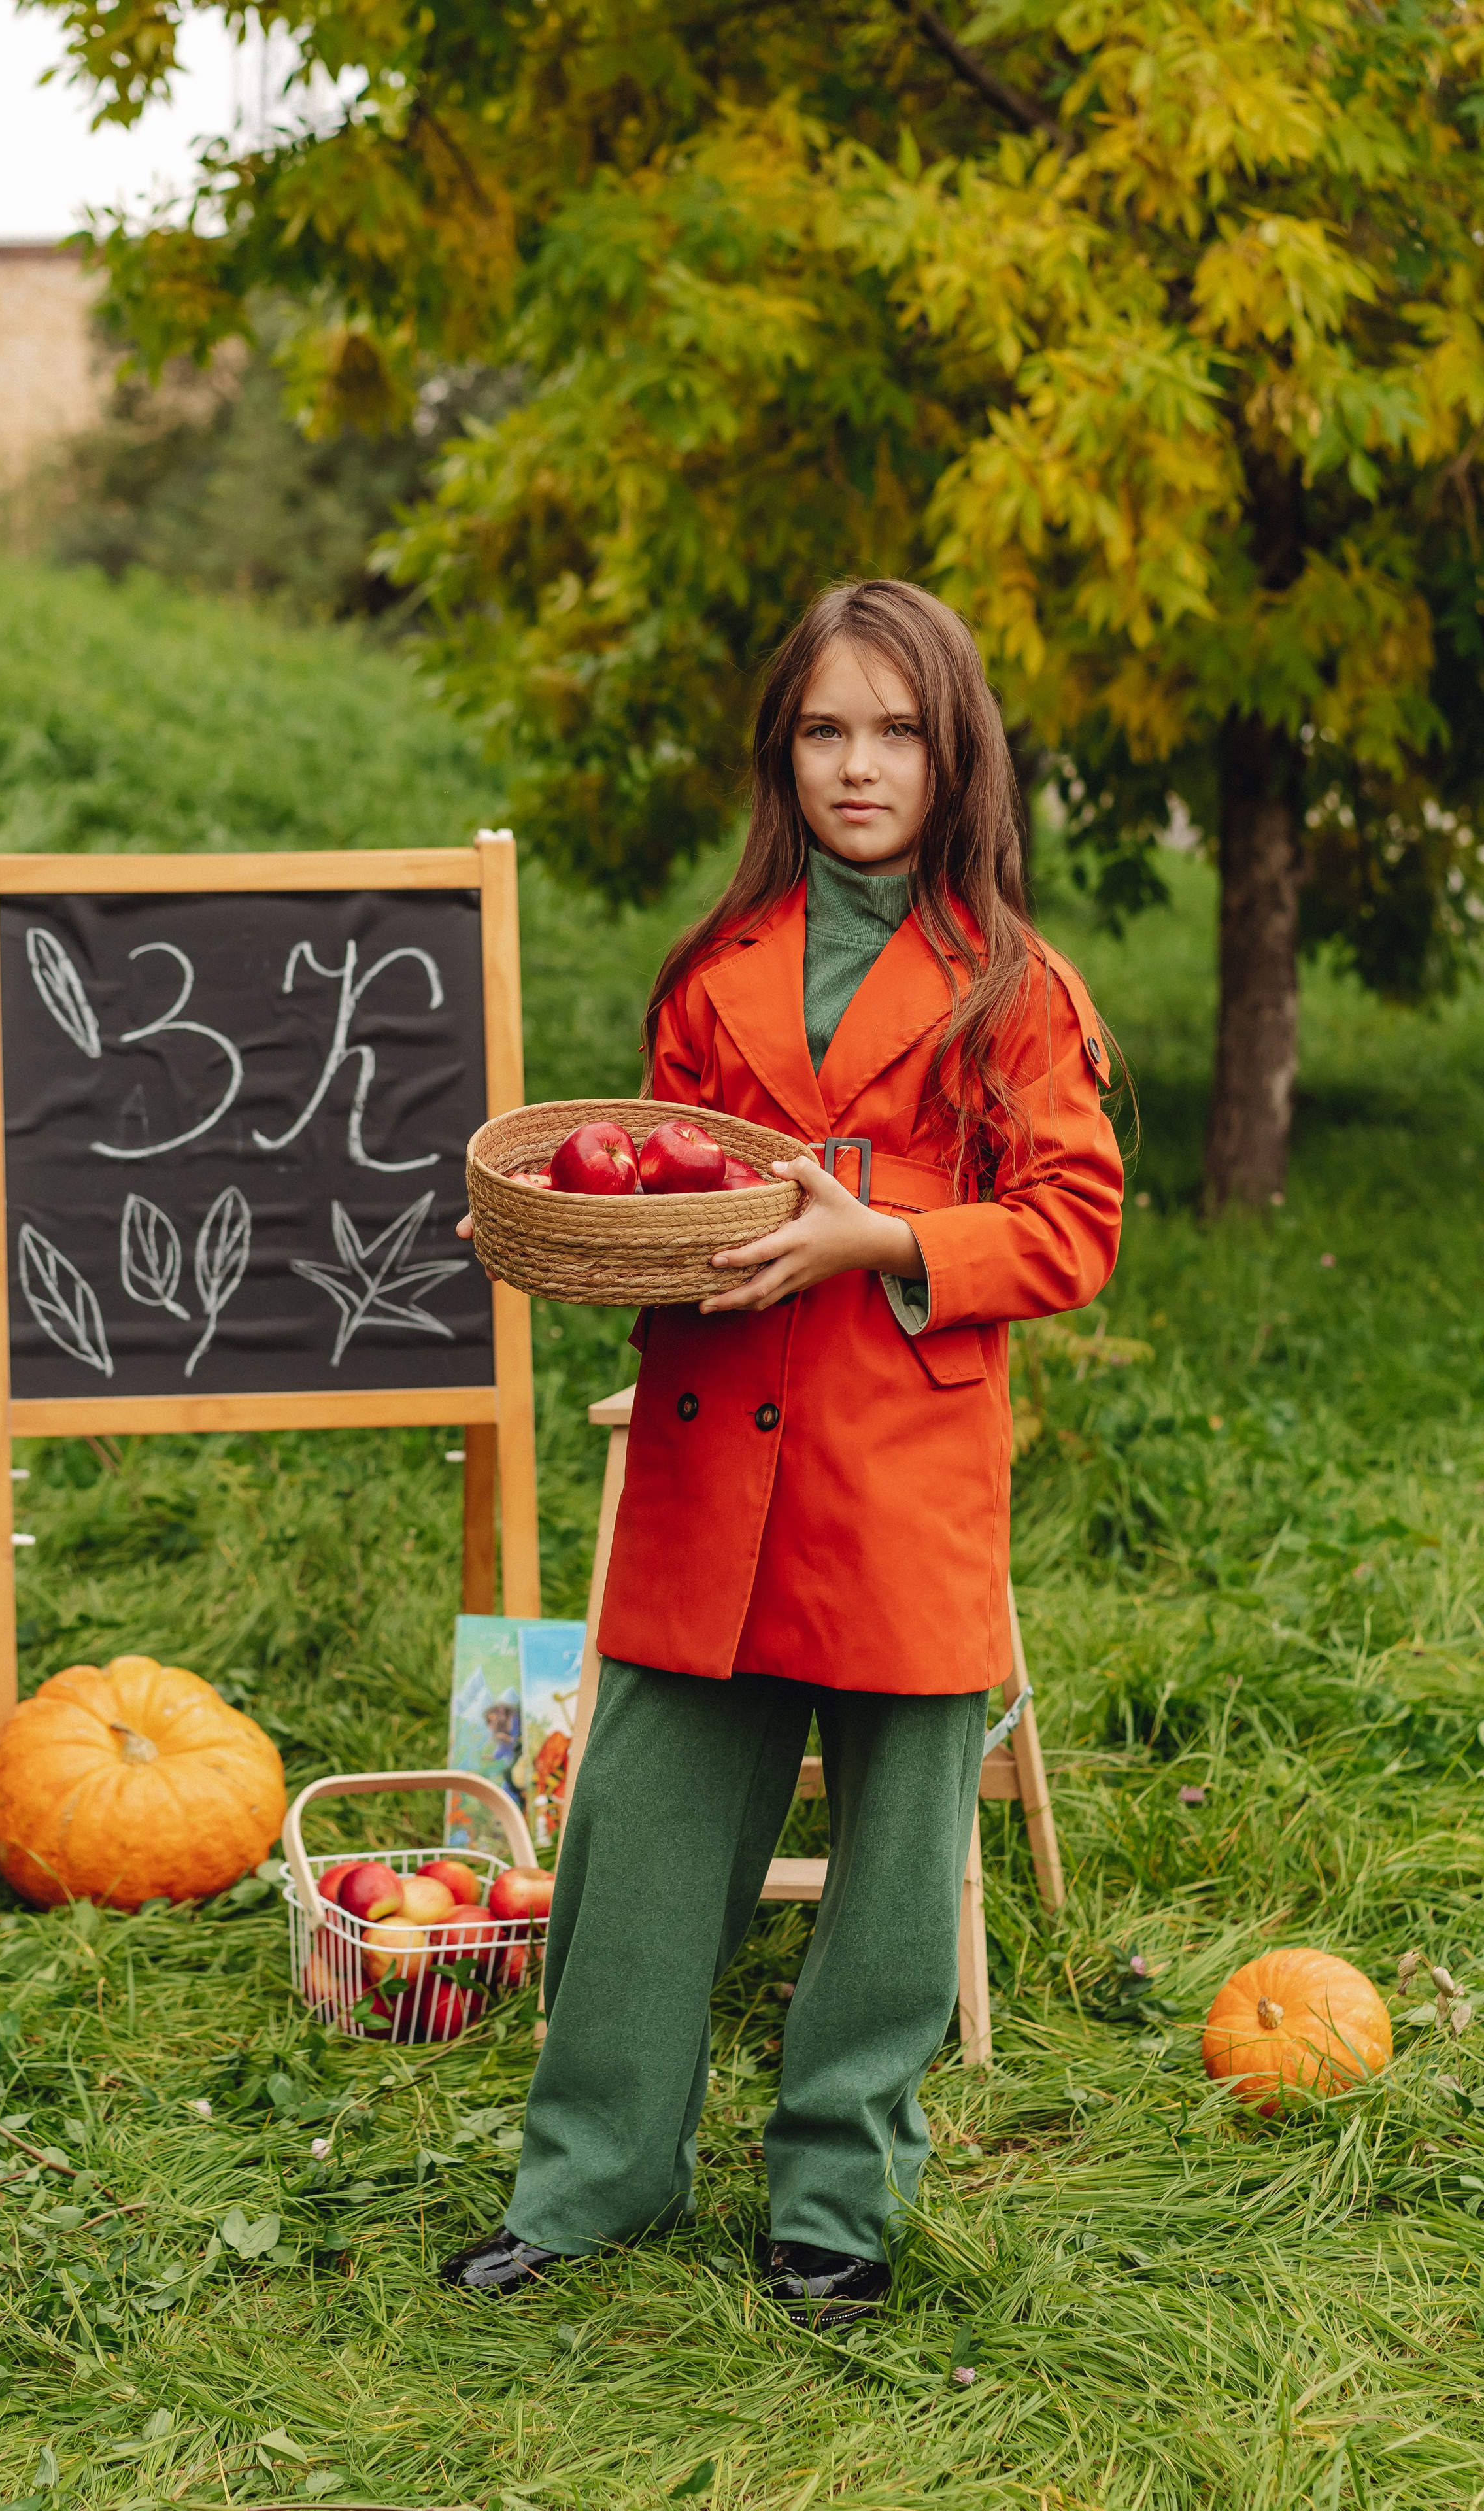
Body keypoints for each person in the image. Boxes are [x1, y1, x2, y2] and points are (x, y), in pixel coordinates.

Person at [441, 579, 1124, 2323]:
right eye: (826, 730)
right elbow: (676, 1174)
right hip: (710, 1457)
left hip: (898, 1471)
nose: (858, 764)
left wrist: (880, 1236)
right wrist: (619, 1237)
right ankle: (590, 2183)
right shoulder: (712, 969)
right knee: (643, 1825)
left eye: (896, 731)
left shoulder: (1013, 989)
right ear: (784, 753)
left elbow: (1073, 1224)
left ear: (954, 752)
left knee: (898, 1866)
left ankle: (836, 2201)